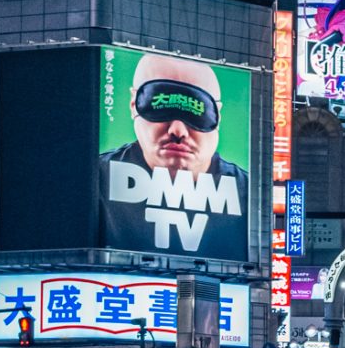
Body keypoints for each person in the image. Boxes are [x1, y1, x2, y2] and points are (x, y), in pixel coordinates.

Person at [99, 53, 251, 262]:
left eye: (196, 111)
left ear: (218, 116)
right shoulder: (94, 179)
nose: (177, 130)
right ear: (134, 104)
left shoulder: (249, 195)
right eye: (161, 106)